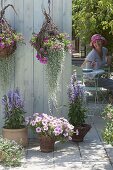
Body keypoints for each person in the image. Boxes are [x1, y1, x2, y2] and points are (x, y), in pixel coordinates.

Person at [81, 34, 113, 102]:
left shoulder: (104, 50)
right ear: (92, 44)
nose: (97, 43)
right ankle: (110, 99)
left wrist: (109, 59)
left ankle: (110, 98)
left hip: (99, 77)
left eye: (98, 41)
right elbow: (82, 67)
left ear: (102, 42)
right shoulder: (92, 54)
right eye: (94, 42)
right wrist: (91, 67)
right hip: (91, 80)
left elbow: (107, 62)